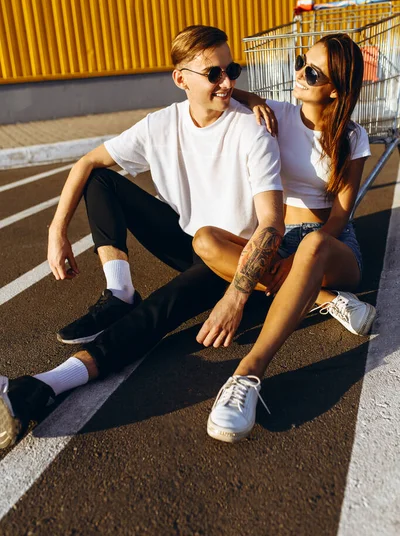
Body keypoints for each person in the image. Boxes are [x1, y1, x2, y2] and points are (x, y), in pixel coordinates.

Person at [0, 25, 284, 449]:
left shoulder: (250, 131)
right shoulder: (160, 125)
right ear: (181, 78)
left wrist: (236, 297)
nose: (227, 82)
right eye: (214, 74)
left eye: (233, 70)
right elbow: (86, 162)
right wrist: (56, 230)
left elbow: (272, 224)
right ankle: (119, 291)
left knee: (158, 311)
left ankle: (40, 388)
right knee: (100, 178)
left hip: (232, 260)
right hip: (190, 242)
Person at [192, 33, 376, 443]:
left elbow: (341, 217)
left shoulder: (352, 137)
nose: (298, 74)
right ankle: (326, 301)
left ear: (334, 88)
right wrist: (253, 99)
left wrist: (299, 259)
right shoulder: (274, 113)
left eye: (311, 72)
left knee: (311, 245)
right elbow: (221, 91)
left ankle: (247, 374)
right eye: (299, 62)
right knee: (205, 240)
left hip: (332, 245)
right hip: (283, 240)